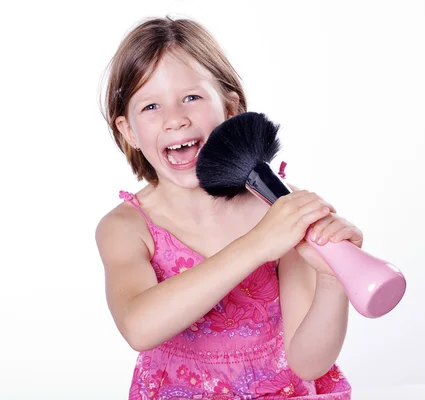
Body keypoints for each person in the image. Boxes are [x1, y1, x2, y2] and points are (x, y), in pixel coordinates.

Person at [95, 16, 364, 400]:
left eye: (191, 97)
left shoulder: (276, 205)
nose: (175, 119)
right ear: (128, 131)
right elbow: (139, 327)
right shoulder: (126, 227)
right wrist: (259, 243)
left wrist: (332, 279)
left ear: (231, 106)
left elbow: (308, 362)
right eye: (151, 105)